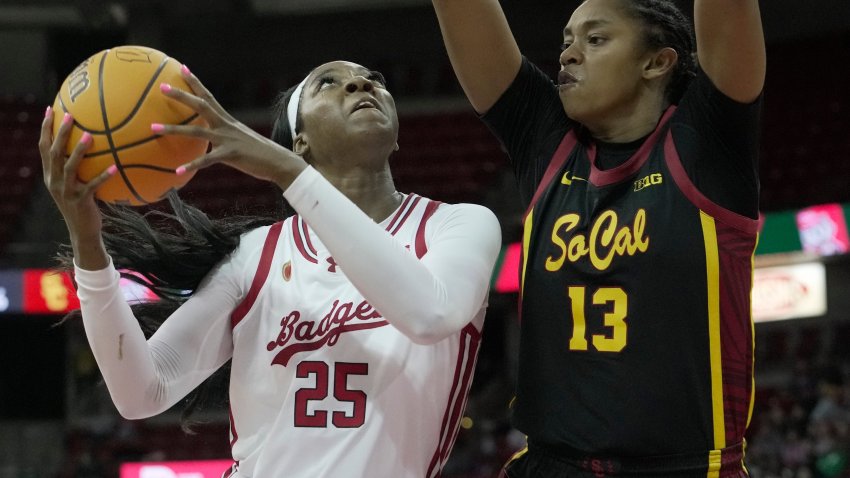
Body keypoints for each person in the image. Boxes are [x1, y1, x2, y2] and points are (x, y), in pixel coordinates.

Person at [39, 60, 502, 477]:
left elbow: (430, 315)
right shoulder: (255, 256)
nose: (362, 82)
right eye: (329, 83)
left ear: (397, 133)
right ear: (299, 141)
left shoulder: (457, 225)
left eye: (373, 79)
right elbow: (142, 392)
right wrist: (87, 243)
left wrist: (287, 173)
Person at [431, 0, 765, 476]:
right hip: (550, 464)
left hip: (683, 467)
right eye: (567, 41)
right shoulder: (548, 143)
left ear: (656, 62)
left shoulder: (708, 143)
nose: (567, 55)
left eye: (595, 38)